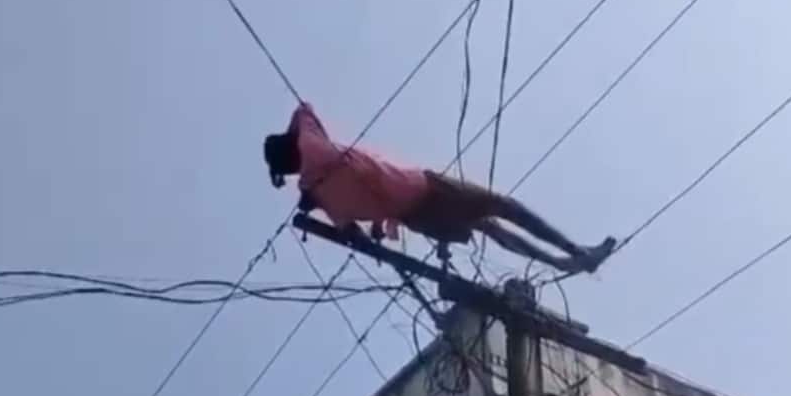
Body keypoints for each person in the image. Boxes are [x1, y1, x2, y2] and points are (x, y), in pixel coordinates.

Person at [263, 102, 616, 273]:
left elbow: (351, 233)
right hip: (425, 188)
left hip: (417, 218)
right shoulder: (310, 144)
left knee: (488, 226)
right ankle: (575, 253)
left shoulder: (321, 193)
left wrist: (317, 203)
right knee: (502, 207)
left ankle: (560, 262)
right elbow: (303, 109)